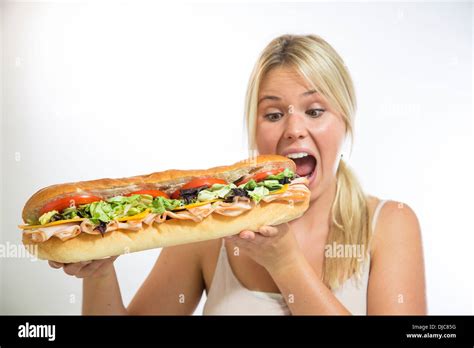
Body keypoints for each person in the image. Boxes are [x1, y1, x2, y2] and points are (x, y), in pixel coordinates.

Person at [49, 34, 427, 315]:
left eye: (314, 111)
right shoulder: (203, 228)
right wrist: (97, 275)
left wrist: (285, 263)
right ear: (254, 130)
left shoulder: (391, 223)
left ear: (344, 121)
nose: (294, 128)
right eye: (274, 114)